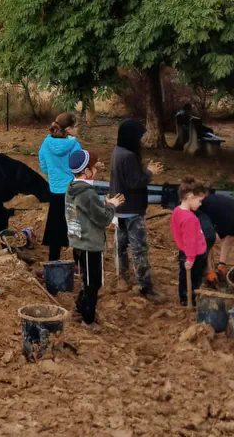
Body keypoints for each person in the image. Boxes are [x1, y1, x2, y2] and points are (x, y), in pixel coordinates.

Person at [65, 150, 124, 325]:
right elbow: (103, 219)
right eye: (93, 168)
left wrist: (102, 204)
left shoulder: (73, 188)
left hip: (78, 242)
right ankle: (88, 318)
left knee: (88, 279)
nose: (96, 170)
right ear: (86, 172)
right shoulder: (87, 194)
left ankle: (80, 307)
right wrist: (111, 205)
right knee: (93, 283)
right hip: (89, 245)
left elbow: (88, 210)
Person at [110, 119, 163, 300]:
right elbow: (135, 182)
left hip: (119, 208)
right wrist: (149, 172)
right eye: (139, 136)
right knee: (139, 249)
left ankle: (122, 278)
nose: (140, 140)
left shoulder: (117, 152)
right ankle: (145, 287)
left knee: (120, 247)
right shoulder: (129, 156)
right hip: (132, 209)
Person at [39, 113, 83, 261]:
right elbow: (78, 168)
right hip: (72, 190)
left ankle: (53, 260)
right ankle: (78, 263)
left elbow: (44, 166)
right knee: (75, 225)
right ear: (69, 129)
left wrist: (54, 173)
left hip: (55, 190)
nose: (78, 129)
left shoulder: (46, 143)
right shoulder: (75, 145)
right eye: (76, 127)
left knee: (55, 225)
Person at [171, 177, 209, 307]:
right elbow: (191, 241)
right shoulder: (190, 219)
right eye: (200, 200)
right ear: (191, 197)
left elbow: (177, 233)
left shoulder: (177, 211)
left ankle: (183, 297)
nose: (201, 204)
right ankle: (190, 299)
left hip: (185, 252)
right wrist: (191, 258)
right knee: (194, 279)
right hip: (194, 255)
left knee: (183, 276)